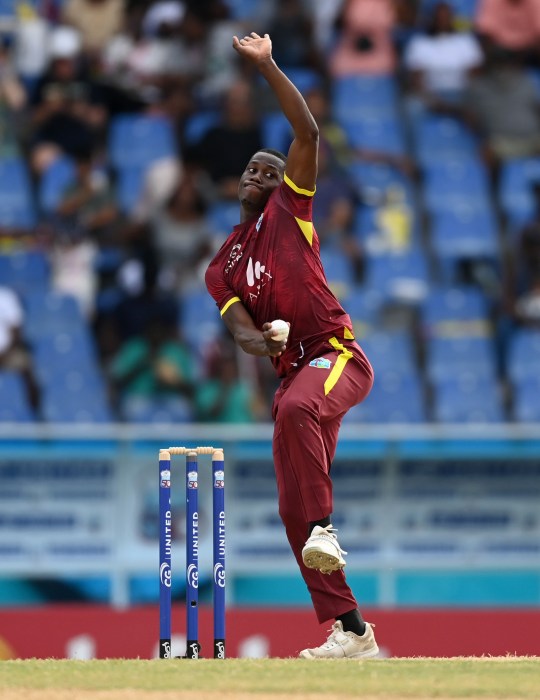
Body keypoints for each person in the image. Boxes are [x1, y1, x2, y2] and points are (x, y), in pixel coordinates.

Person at [205, 32, 379, 660]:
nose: (260, 174)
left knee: (298, 408)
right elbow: (241, 333)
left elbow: (305, 134)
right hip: (291, 374)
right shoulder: (222, 264)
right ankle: (351, 630)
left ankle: (327, 528)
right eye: (252, 169)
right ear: (238, 183)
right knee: (289, 510)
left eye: (271, 171)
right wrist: (263, 338)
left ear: (285, 186)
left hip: (336, 358)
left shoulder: (290, 215)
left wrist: (268, 66)